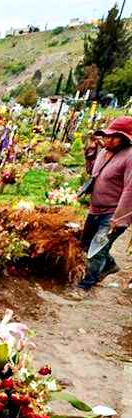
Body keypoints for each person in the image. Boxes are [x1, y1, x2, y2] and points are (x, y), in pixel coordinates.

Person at [77, 117, 132, 292]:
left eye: (115, 137)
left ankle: (85, 286)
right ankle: (109, 265)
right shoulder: (104, 152)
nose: (108, 139)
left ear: (126, 139)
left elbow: (130, 189)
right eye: (107, 135)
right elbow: (92, 172)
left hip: (113, 213)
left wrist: (119, 219)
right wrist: (91, 151)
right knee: (86, 244)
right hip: (95, 209)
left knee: (97, 250)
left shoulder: (129, 156)